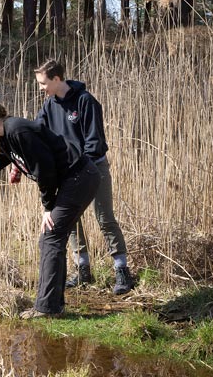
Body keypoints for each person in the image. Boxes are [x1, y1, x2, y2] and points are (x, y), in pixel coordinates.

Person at [0, 95, 100, 319]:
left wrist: (48, 206)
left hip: (80, 177)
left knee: (51, 235)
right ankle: (54, 304)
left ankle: (47, 308)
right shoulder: (4, 140)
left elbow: (46, 169)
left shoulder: (17, 130)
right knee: (53, 237)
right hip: (74, 180)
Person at [32, 59, 133, 295]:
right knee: (72, 220)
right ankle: (83, 270)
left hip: (93, 169)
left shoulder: (85, 101)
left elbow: (94, 142)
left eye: (42, 83)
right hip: (68, 173)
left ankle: (122, 271)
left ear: (57, 79)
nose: (40, 88)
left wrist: (80, 167)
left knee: (105, 218)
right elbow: (37, 134)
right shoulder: (48, 107)